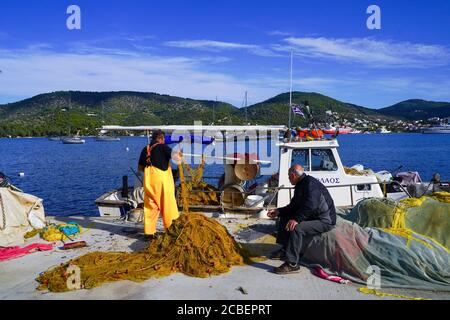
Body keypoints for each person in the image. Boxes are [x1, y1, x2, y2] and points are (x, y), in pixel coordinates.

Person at [267, 164, 336, 274]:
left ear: (293, 175)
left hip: (325, 220)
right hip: (314, 216)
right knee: (285, 217)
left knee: (296, 227)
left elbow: (311, 205)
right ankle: (285, 250)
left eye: (289, 177)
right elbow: (293, 206)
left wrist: (297, 219)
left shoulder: (310, 184)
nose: (289, 179)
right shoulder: (301, 184)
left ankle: (292, 264)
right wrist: (278, 212)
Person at [138, 130, 182, 240]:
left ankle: (149, 233)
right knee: (167, 205)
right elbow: (177, 158)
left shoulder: (145, 149)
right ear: (161, 138)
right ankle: (170, 229)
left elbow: (140, 168)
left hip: (148, 181)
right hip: (162, 181)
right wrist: (179, 154)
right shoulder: (163, 147)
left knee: (150, 206)